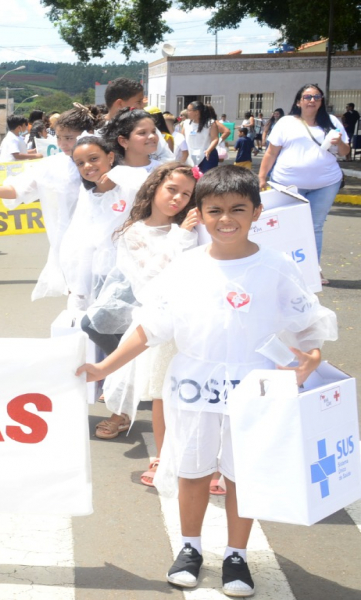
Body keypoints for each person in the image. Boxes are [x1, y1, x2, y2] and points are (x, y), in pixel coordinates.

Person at [77, 165, 337, 597]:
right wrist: (104, 368)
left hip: (255, 386)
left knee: (243, 474)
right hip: (194, 384)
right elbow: (149, 327)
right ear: (200, 212)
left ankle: (237, 554)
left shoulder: (275, 267)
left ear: (256, 212)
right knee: (192, 470)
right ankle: (190, 548)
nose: (226, 219)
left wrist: (311, 355)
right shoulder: (186, 267)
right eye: (214, 210)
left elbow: (307, 324)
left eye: (238, 208)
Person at [86, 163, 198, 445]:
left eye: (186, 195)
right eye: (172, 189)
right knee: (137, 371)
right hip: (154, 314)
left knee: (176, 382)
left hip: (191, 316)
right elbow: (149, 277)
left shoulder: (193, 228)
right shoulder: (133, 232)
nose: (178, 199)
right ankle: (123, 417)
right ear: (154, 188)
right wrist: (181, 236)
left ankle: (178, 446)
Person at [0, 106, 96, 300]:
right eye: (59, 137)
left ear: (88, 134)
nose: (63, 143)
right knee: (79, 298)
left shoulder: (108, 162)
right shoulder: (51, 166)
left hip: (102, 243)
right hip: (69, 245)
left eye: (69, 137)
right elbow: (18, 189)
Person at [257, 84, 349, 276]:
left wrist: (339, 142)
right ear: (299, 102)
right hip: (287, 183)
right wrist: (261, 177)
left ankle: (312, 269)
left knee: (315, 226)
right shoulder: (286, 122)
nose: (312, 100)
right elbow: (271, 152)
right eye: (307, 97)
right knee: (286, 224)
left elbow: (344, 152)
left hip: (325, 184)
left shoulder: (332, 122)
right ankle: (283, 268)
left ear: (321, 101)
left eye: (317, 97)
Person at [60, 136, 149, 312]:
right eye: (80, 163)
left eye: (93, 159)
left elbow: (146, 182)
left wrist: (117, 176)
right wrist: (77, 284)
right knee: (100, 323)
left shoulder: (130, 184)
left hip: (131, 269)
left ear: (110, 157)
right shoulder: (88, 195)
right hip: (99, 271)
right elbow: (80, 241)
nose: (87, 166)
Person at [178, 101, 223, 173]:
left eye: (189, 110)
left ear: (197, 112)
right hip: (190, 156)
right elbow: (181, 138)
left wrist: (208, 150)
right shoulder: (186, 123)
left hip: (206, 156)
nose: (187, 112)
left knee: (206, 178)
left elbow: (215, 139)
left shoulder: (210, 123)